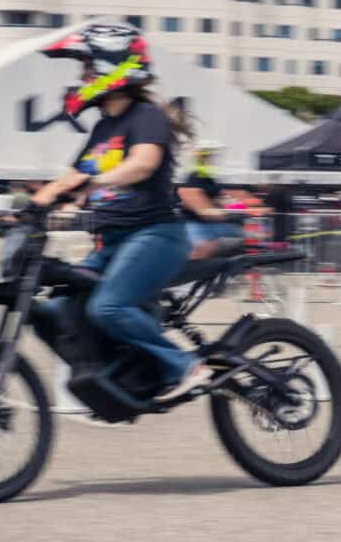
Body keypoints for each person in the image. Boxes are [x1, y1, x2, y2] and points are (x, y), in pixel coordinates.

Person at [31, 23, 205, 401]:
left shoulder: (145, 116)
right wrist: (33, 205)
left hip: (155, 235)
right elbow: (73, 175)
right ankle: (115, 375)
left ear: (115, 66)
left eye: (88, 67)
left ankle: (185, 365)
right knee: (57, 304)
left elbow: (143, 164)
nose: (82, 78)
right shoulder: (103, 129)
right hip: (113, 242)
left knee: (108, 306)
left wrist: (96, 183)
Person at [176, 141, 247, 259]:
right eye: (209, 157)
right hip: (196, 224)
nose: (212, 160)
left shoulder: (209, 179)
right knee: (201, 250)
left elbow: (225, 200)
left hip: (213, 225)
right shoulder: (194, 178)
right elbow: (204, 211)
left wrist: (239, 207)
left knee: (251, 238)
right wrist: (232, 214)